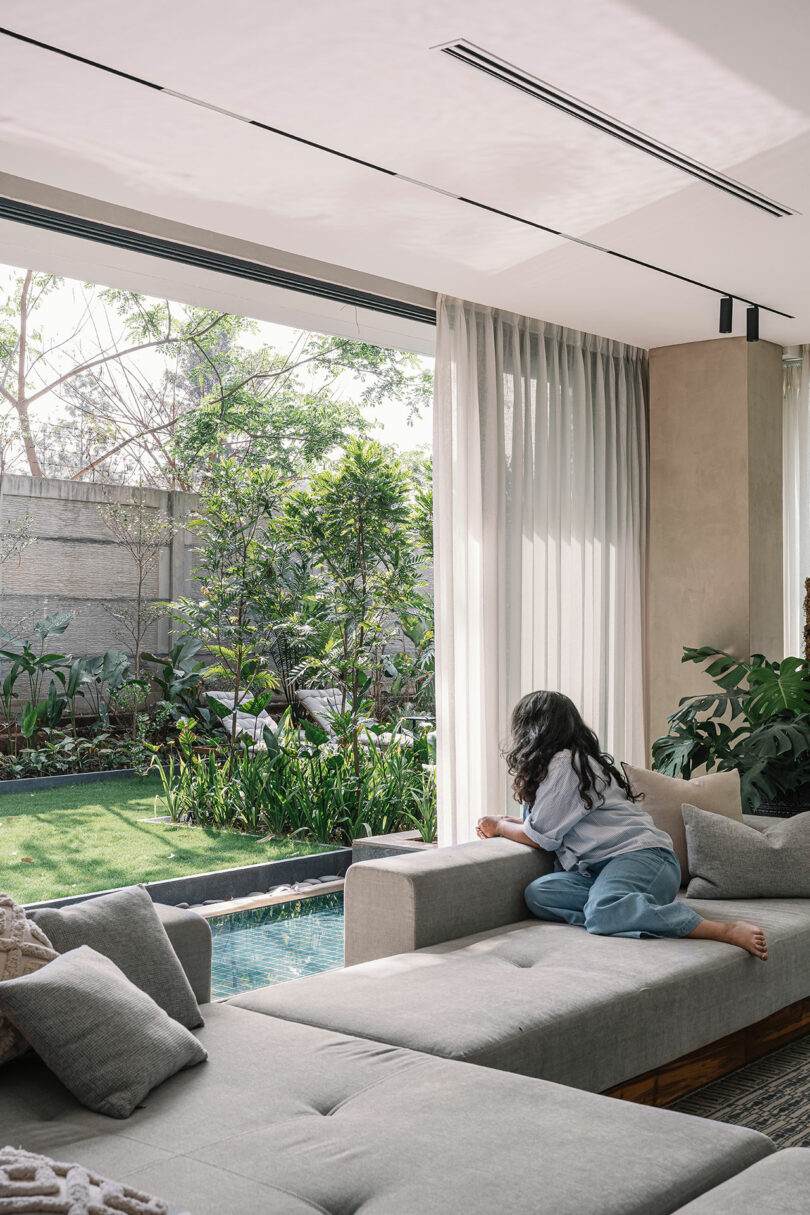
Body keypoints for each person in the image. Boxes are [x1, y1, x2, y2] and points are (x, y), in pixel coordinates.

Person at [476, 690, 767, 960]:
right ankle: (624, 911)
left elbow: (541, 839)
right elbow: (543, 827)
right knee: (540, 893)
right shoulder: (564, 766)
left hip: (643, 859)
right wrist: (503, 821)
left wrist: (500, 825)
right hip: (602, 872)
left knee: (601, 910)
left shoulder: (567, 764)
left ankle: (721, 930)